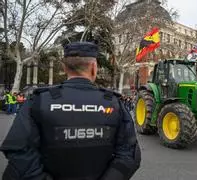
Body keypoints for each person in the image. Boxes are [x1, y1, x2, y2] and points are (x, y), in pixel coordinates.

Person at [0, 42, 141, 180]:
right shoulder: (114, 102)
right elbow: (129, 155)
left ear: (65, 67)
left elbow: (19, 152)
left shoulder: (39, 101)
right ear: (93, 67)